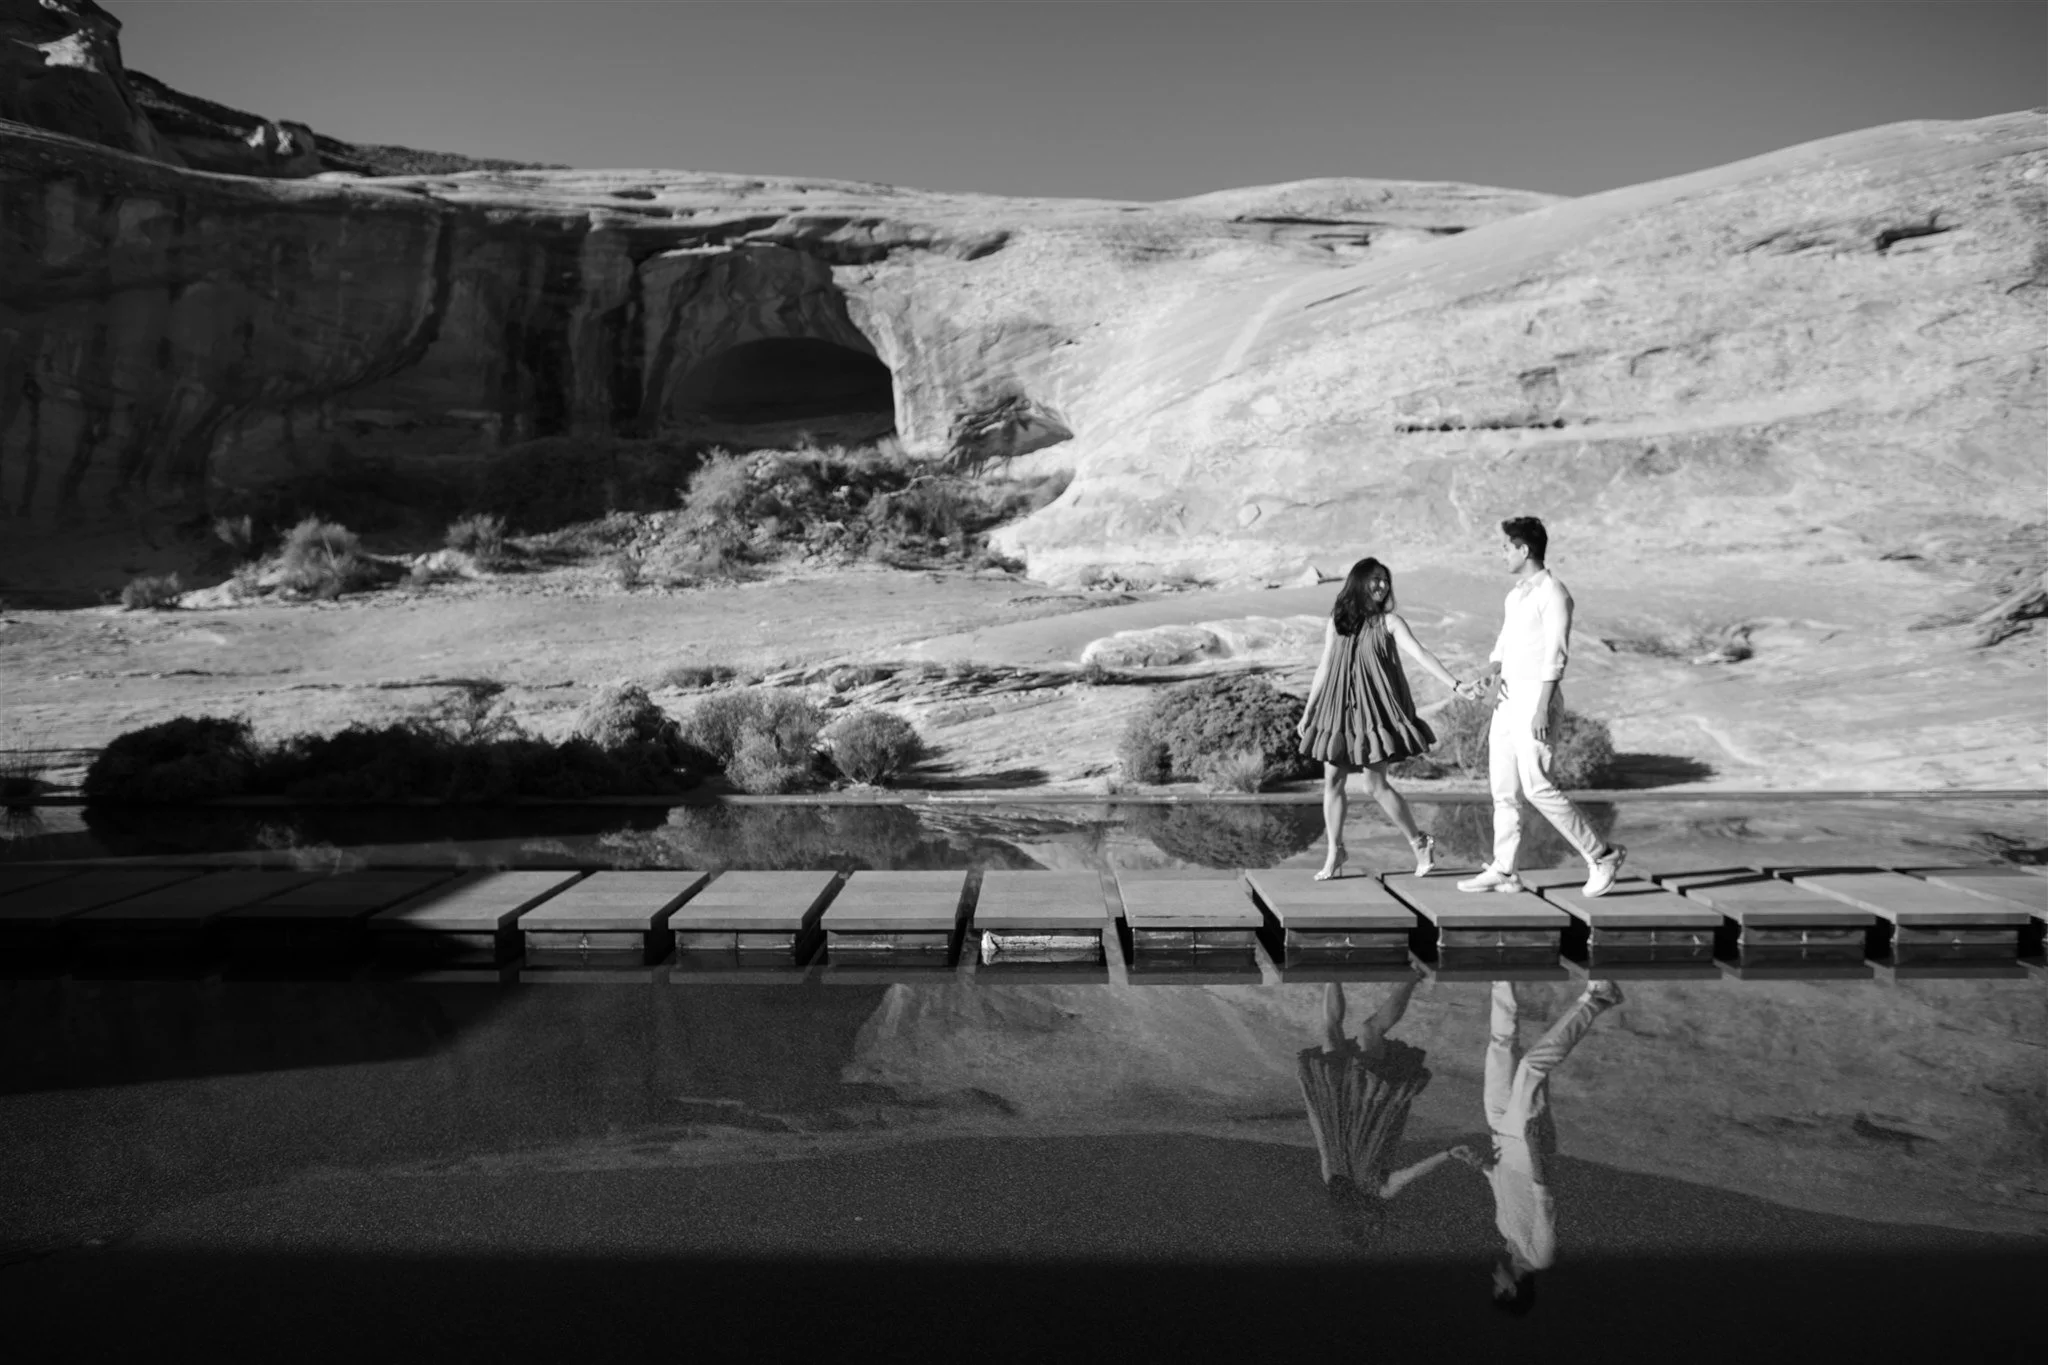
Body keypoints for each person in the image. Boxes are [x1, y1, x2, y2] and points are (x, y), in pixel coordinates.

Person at [1457, 517, 1627, 897]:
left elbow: (1556, 655)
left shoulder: (1554, 593)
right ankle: (1505, 870)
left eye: (1506, 547)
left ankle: (1602, 854)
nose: (1501, 554)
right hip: (1507, 699)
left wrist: (1542, 708)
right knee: (1503, 789)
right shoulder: (1515, 595)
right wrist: (1489, 674)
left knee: (1537, 786)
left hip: (1537, 698)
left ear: (1524, 549)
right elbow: (1504, 645)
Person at [1296, 557, 1480, 882]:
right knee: (1332, 780)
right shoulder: (1338, 621)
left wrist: (1455, 684)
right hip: (1338, 710)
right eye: (1375, 579)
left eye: (1385, 579)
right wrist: (1310, 709)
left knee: (1374, 785)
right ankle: (1335, 851)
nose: (1382, 585)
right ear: (1359, 582)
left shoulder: (1390, 622)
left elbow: (1420, 653)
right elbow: (1325, 664)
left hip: (1372, 713)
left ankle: (1419, 841)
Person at [1450, 979, 1624, 1314]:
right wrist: (1533, 1146)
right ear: (1512, 1290)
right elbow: (1544, 1198)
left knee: (1500, 1046)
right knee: (1533, 1066)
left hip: (1501, 1135)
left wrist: (1479, 1164)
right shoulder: (1540, 1257)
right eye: (1498, 1287)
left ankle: (1502, 979)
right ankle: (1596, 997)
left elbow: (1503, 1185)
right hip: (1527, 1141)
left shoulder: (1508, 1236)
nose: (1494, 1280)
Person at [1297, 978, 1465, 1245]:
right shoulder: (1380, 1191)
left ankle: (1332, 971)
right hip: (1369, 1097)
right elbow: (1412, 1172)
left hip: (1338, 1098)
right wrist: (1446, 1155)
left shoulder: (1334, 1182)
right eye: (1376, 1227)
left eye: (1370, 1227)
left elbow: (1322, 1140)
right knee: (1370, 1030)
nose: (1377, 1223)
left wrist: (1310, 1095)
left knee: (1330, 1031)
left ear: (1353, 1219)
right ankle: (1412, 977)